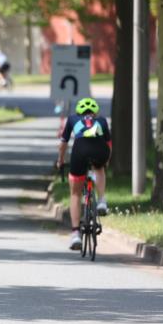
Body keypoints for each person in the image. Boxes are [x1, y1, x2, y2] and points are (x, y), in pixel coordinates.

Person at [57, 97, 111, 251]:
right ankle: (101, 201)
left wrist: (60, 161)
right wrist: (106, 161)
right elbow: (109, 144)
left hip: (80, 151)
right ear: (95, 112)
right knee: (99, 168)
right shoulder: (102, 120)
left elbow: (63, 144)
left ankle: (75, 234)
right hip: (100, 150)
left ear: (78, 111)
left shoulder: (72, 119)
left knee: (75, 193)